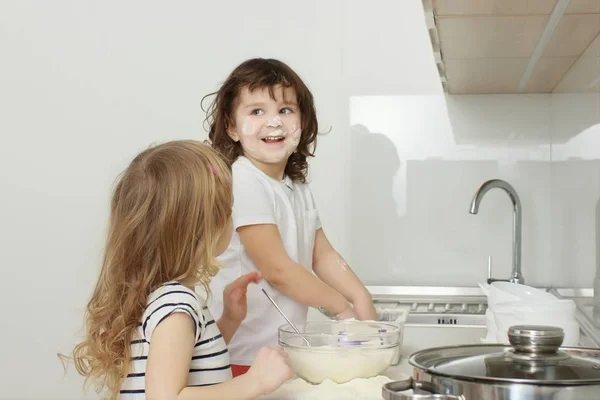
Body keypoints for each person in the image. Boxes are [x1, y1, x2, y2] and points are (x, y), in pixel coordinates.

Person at [64, 140, 292, 400]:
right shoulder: (176, 305)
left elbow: (196, 367)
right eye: (228, 210)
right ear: (202, 229)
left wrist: (229, 320)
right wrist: (255, 382)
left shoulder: (165, 298)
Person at [205, 58, 378, 377]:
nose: (274, 122)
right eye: (257, 111)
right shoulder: (243, 181)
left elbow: (323, 255)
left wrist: (359, 296)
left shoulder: (295, 187)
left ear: (303, 121)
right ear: (231, 127)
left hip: (279, 351)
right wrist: (342, 308)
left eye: (285, 110)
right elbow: (278, 270)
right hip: (244, 354)